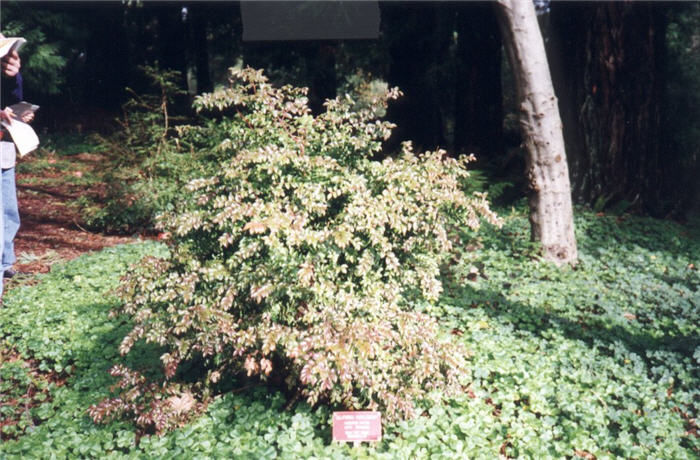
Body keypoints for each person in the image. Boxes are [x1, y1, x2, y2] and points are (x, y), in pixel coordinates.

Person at [1, 40, 32, 298]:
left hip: (5, 145)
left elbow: (13, 100)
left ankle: (5, 264)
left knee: (9, 213)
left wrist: (14, 77)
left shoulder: (7, 67)